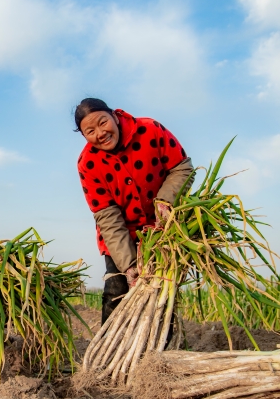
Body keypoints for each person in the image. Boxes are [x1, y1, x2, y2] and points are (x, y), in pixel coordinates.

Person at [74, 98, 194, 324]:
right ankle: (109, 353)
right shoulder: (87, 163)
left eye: (103, 122)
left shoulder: (150, 130)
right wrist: (129, 265)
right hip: (120, 233)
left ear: (115, 116)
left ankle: (156, 355)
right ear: (84, 137)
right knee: (116, 289)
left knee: (160, 292)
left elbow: (181, 167)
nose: (100, 133)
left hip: (161, 227)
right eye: (90, 131)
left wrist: (165, 201)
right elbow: (107, 216)